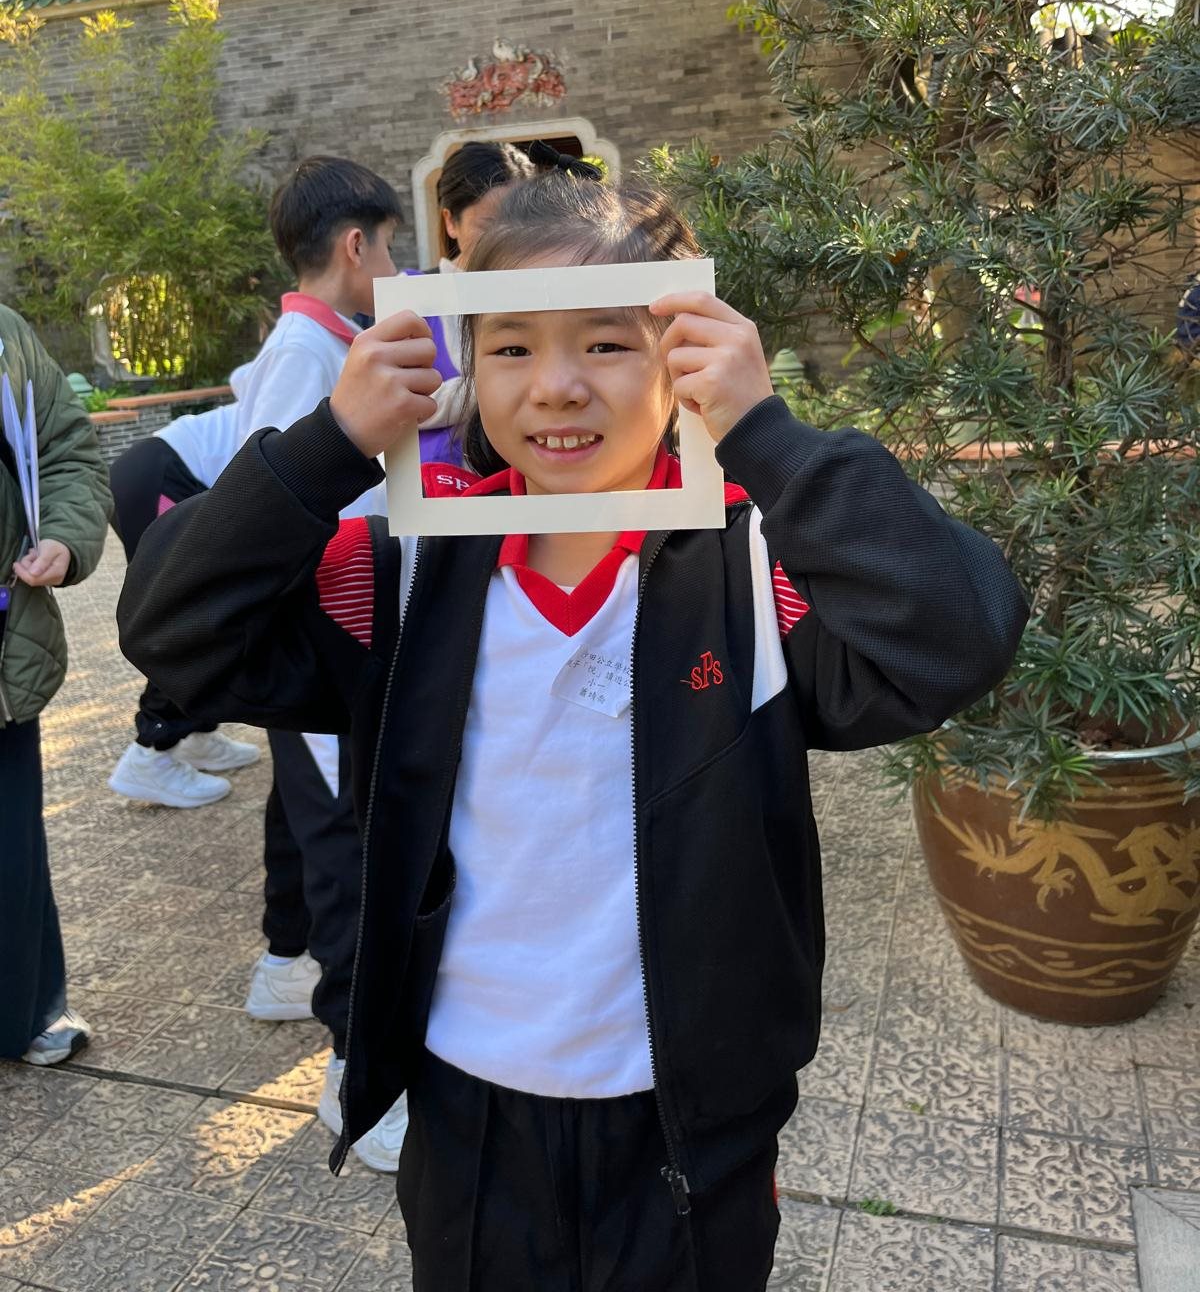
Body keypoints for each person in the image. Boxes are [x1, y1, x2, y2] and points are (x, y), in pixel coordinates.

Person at [118, 173, 1028, 1290]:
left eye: (606, 343)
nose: (556, 385)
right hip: (466, 1109)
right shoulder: (405, 573)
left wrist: (769, 437)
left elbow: (958, 634)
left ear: (680, 355)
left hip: (689, 1120)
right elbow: (176, 630)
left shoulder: (750, 573)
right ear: (464, 363)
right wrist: (327, 445)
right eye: (510, 348)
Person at [109, 156, 408, 1170]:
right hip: (326, 629)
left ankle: (285, 969)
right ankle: (355, 1077)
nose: (395, 265)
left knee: (307, 812)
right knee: (346, 844)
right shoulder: (304, 354)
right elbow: (271, 501)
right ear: (355, 245)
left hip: (333, 631)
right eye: (391, 246)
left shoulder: (329, 343)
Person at [0, 305, 111, 1067]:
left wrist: (65, 538)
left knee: (11, 842)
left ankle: (25, 1010)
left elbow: (66, 449)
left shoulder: (6, 333)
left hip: (7, 643)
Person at [413, 139, 535, 464]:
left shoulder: (539, 294)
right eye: (489, 225)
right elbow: (398, 403)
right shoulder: (413, 296)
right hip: (443, 483)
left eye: (521, 223)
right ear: (450, 222)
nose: (505, 238)